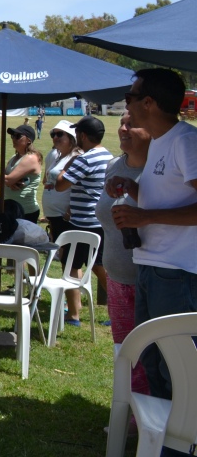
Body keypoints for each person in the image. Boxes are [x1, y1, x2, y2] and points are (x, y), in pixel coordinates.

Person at [110, 68, 197, 457]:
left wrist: (144, 219)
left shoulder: (186, 141)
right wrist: (133, 190)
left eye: (131, 96)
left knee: (175, 367)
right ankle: (165, 453)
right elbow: (164, 196)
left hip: (176, 272)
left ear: (148, 103)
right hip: (152, 266)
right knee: (154, 364)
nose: (126, 103)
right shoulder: (162, 143)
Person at [96, 114, 150, 395]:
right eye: (122, 122)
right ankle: (132, 412)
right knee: (126, 351)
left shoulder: (159, 169)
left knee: (153, 353)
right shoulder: (113, 165)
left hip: (151, 278)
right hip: (116, 276)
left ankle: (157, 417)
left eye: (133, 123)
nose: (124, 128)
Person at [54, 115, 112, 325]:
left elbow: (61, 184)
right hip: (100, 222)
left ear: (83, 135)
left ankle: (74, 314)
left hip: (82, 223)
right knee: (99, 265)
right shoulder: (109, 156)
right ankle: (119, 309)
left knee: (71, 265)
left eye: (77, 132)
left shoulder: (84, 159)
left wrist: (65, 165)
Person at [41, 120, 79, 241]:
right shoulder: (58, 156)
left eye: (60, 134)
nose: (55, 137)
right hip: (54, 215)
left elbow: (79, 188)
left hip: (64, 216)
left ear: (71, 137)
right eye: (53, 135)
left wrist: (69, 211)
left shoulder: (76, 157)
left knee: (67, 254)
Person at [1, 124, 42, 223]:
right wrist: (8, 181)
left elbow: (6, 180)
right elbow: (1, 182)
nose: (14, 139)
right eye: (13, 136)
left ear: (28, 140)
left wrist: (8, 181)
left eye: (18, 136)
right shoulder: (13, 157)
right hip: (11, 209)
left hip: (25, 212)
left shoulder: (31, 157)